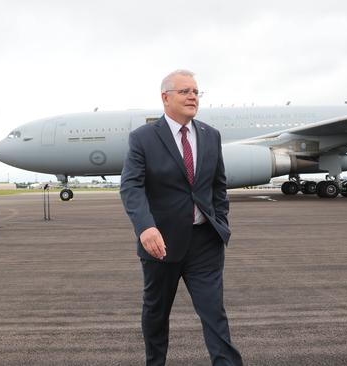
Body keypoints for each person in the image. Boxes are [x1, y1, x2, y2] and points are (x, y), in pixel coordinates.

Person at [120, 70, 243, 366]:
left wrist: (220, 221)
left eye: (196, 92)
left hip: (204, 242)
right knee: (156, 314)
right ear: (165, 98)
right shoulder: (143, 138)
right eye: (185, 91)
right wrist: (145, 227)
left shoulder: (210, 136)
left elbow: (218, 185)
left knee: (214, 313)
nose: (192, 97)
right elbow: (131, 186)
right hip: (161, 244)